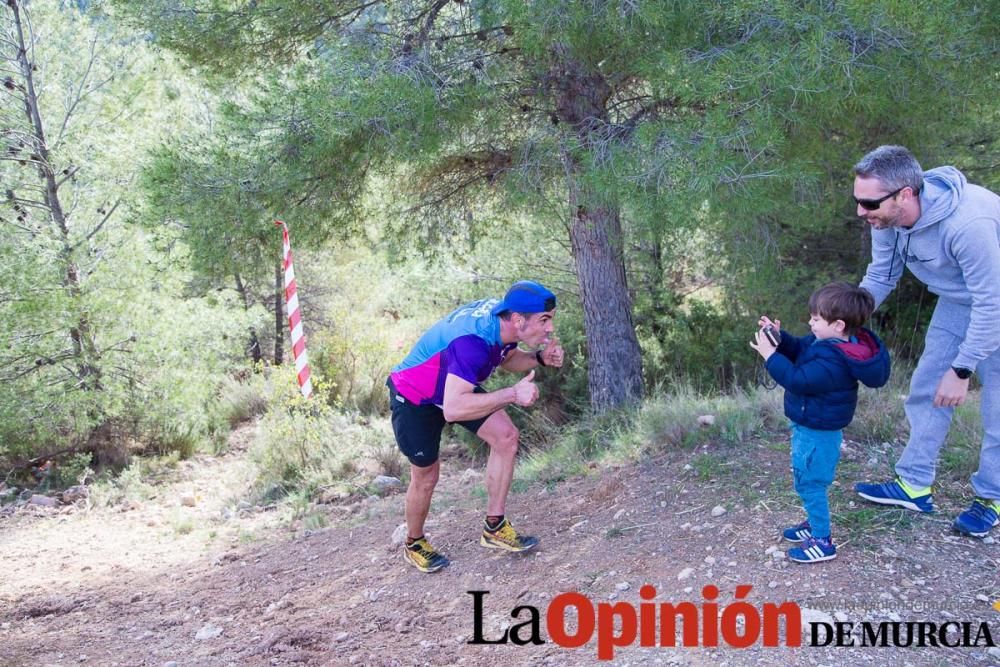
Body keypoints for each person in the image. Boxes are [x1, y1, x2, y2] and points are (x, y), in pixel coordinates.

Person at [850, 145, 1000, 539]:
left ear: (905, 195)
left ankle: (992, 497)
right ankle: (914, 485)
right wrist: (844, 319)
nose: (861, 212)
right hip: (957, 300)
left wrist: (962, 369)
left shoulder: (969, 224)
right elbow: (882, 275)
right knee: (927, 389)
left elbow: (991, 302)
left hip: (993, 301)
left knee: (997, 407)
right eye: (858, 201)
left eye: (868, 203)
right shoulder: (889, 221)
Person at [387, 280, 565, 572]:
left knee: (506, 437)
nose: (550, 329)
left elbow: (506, 357)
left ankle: (494, 527)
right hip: (415, 395)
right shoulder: (472, 343)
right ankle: (414, 542)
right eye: (544, 320)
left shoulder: (504, 319)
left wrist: (538, 358)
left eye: (551, 320)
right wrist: (511, 394)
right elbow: (456, 409)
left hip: (452, 387)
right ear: (519, 320)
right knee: (426, 476)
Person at [751, 282, 890, 563]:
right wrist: (780, 339)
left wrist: (770, 356)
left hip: (817, 431)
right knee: (807, 478)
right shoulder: (826, 341)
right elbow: (801, 348)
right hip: (810, 424)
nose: (810, 323)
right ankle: (814, 524)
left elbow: (797, 380)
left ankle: (823, 540)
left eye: (816, 319)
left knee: (810, 482)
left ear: (838, 325)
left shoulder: (834, 361)